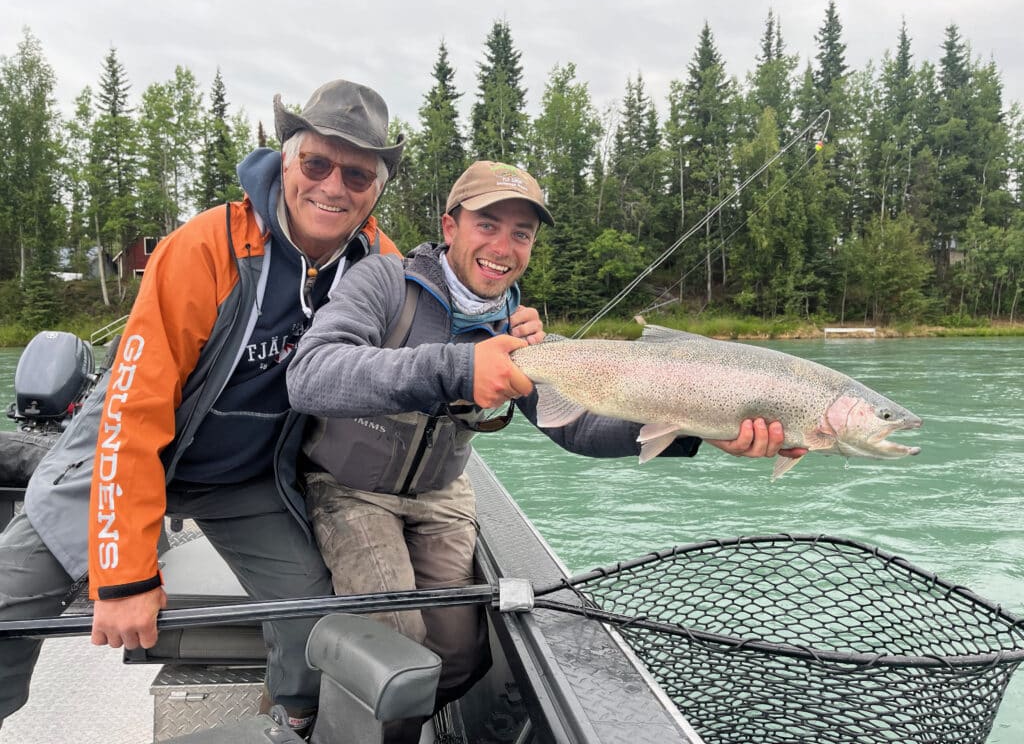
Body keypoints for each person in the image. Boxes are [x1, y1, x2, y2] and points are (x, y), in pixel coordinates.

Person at [286, 160, 806, 742]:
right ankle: (311, 714)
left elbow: (574, 429)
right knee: (397, 646)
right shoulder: (383, 281)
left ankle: (398, 725)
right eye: (487, 224)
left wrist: (695, 429)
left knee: (461, 658)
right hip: (352, 490)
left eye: (521, 233)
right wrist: (460, 366)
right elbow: (311, 375)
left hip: (440, 495)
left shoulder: (516, 320)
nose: (503, 247)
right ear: (450, 226)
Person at [0, 78, 407, 736]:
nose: (334, 185)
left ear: (378, 188)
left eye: (358, 173)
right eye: (317, 163)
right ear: (284, 161)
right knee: (7, 602)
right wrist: (126, 575)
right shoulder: (201, 249)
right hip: (123, 458)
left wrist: (508, 336)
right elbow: (133, 417)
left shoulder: (379, 267)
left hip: (246, 478)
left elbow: (440, 335)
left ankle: (291, 722)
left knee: (311, 618)